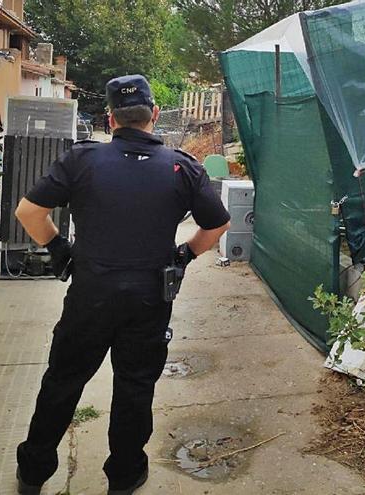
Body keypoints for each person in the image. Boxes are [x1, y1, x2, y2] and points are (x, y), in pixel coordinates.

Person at [14, 74, 230, 495]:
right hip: (150, 298)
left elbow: (28, 211)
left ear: (111, 119)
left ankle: (33, 474)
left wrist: (60, 250)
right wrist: (183, 256)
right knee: (134, 386)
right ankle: (125, 477)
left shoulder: (82, 160)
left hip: (90, 296)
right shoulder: (182, 167)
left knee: (62, 381)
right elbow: (218, 224)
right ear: (154, 114)